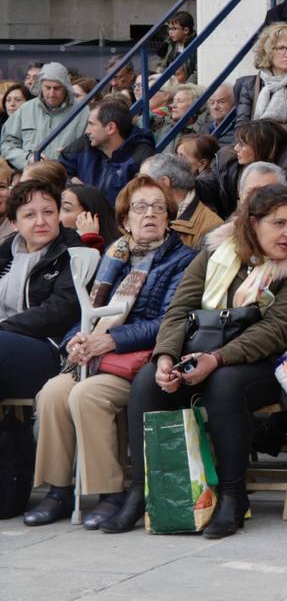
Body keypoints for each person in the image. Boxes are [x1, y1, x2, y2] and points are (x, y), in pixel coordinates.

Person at [100, 184, 287, 537]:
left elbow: (276, 331)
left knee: (225, 383)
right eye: (279, 224)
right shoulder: (217, 251)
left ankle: (233, 497)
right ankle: (141, 493)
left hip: (262, 361)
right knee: (146, 381)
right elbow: (179, 310)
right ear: (253, 222)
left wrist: (216, 359)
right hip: (201, 350)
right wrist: (167, 357)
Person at [26, 175, 197, 528]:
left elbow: (168, 321)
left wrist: (113, 339)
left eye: (158, 208)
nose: (149, 214)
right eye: (140, 207)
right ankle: (59, 491)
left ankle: (110, 493)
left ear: (169, 217)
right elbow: (86, 312)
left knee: (87, 395)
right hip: (98, 355)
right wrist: (77, 339)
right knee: (53, 393)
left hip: (139, 359)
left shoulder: (183, 260)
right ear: (124, 219)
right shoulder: (113, 256)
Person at [0, 180, 85, 399]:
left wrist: (3, 327)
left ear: (58, 215)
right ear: (14, 222)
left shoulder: (74, 252)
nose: (41, 221)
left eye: (48, 212)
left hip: (49, 348)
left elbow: (59, 311)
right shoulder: (6, 254)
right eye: (29, 215)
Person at [197, 119, 287, 219]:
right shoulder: (229, 163)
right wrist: (189, 182)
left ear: (261, 147)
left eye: (242, 144)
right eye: (237, 143)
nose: (236, 148)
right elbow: (208, 185)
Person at [232, 22, 287, 146]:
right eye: (281, 48)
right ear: (268, 52)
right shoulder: (249, 84)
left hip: (283, 148)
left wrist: (261, 144)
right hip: (252, 147)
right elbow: (240, 126)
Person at [58, 99, 154, 206]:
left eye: (91, 124)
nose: (87, 131)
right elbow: (61, 169)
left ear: (111, 128)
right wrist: (71, 182)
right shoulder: (86, 143)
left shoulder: (141, 158)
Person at [2, 63, 90, 168]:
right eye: (47, 88)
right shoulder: (25, 109)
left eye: (57, 88)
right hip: (30, 176)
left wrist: (72, 154)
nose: (51, 94)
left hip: (67, 177)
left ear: (66, 87)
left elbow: (93, 147)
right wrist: (27, 158)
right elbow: (7, 144)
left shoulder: (82, 111)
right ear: (40, 86)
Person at [139, 152, 222, 250]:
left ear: (164, 182)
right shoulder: (144, 212)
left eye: (144, 182)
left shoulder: (211, 228)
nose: (139, 188)